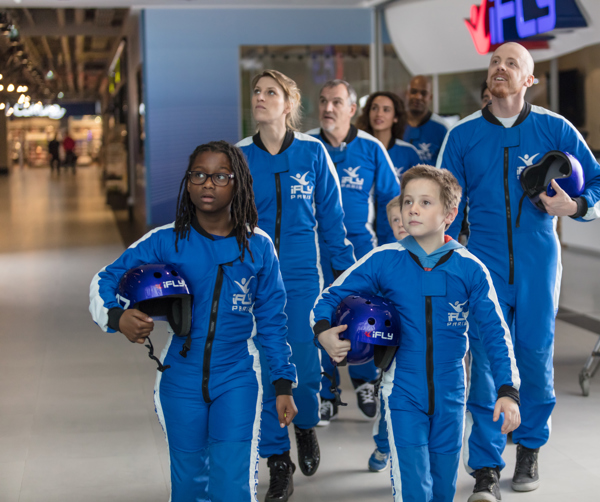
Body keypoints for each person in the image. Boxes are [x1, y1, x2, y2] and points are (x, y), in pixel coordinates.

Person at [89, 141, 298, 502]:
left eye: (220, 176)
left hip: (237, 376)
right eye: (199, 175)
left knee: (232, 486)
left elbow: (273, 322)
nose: (207, 184)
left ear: (239, 184)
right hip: (179, 379)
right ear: (188, 182)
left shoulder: (258, 246)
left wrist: (283, 384)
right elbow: (104, 278)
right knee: (188, 486)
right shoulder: (166, 240)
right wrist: (116, 316)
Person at [437, 42, 600, 502]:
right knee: (488, 360)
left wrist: (578, 205)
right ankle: (486, 467)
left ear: (530, 80)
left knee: (534, 354)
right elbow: (443, 206)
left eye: (513, 63)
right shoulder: (464, 135)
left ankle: (529, 445)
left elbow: (597, 178)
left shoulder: (555, 128)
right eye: (495, 62)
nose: (501, 68)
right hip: (483, 260)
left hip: (538, 257)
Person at [312, 165, 521, 502]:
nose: (412, 209)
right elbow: (330, 295)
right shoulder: (384, 260)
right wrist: (323, 331)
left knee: (442, 489)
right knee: (413, 487)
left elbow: (496, 332)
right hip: (402, 392)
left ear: (449, 214)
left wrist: (508, 391)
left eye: (425, 202)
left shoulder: (470, 268)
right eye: (408, 201)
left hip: (451, 394)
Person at [237, 70, 355, 502]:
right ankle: (277, 462)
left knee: (305, 374)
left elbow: (334, 226)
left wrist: (347, 284)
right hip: (255, 282)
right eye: (257, 92)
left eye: (272, 92)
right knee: (267, 371)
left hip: (305, 280)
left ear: (289, 106)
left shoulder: (313, 154)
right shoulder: (239, 157)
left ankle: (305, 426)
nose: (261, 98)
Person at [307, 80, 399, 423]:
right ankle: (326, 390)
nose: (328, 108)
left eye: (336, 102)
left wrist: (393, 253)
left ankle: (365, 381)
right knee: (322, 319)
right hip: (316, 254)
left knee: (360, 320)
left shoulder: (372, 150)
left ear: (351, 109)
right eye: (323, 101)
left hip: (361, 255)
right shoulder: (307, 148)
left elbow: (392, 204)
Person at [367, 195, 408, 473]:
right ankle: (383, 445)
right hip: (393, 352)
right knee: (389, 404)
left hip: (427, 350)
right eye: (395, 220)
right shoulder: (383, 260)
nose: (402, 223)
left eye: (404, 217)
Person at [356, 91, 421, 181]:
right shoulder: (356, 150)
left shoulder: (409, 152)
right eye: (374, 108)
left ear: (396, 117)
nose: (379, 114)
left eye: (386, 110)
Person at [403, 75, 449, 164]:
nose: (418, 97)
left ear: (430, 97)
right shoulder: (395, 123)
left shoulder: (442, 128)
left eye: (423, 93)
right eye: (414, 92)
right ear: (407, 94)